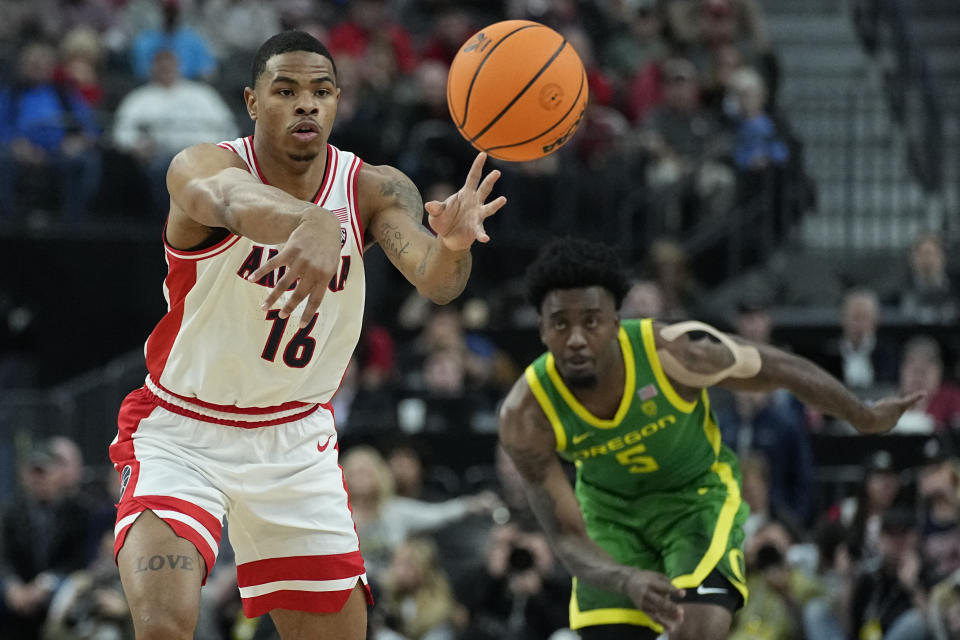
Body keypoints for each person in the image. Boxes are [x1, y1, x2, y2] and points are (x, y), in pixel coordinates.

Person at [109, 30, 506, 640]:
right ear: (251, 101)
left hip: (295, 443)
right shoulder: (204, 165)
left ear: (338, 102)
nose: (306, 105)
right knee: (164, 626)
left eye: (321, 91)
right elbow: (232, 201)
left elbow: (437, 282)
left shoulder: (374, 187)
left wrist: (454, 247)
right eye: (286, 90)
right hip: (182, 433)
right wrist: (310, 220)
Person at [497, 238, 923, 639]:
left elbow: (776, 367)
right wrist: (625, 579)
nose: (575, 339)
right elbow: (567, 536)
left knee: (697, 627)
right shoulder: (526, 415)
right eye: (559, 323)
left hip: (694, 499)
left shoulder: (672, 353)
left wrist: (860, 414)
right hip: (610, 514)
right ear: (541, 330)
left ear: (614, 322)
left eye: (590, 321)